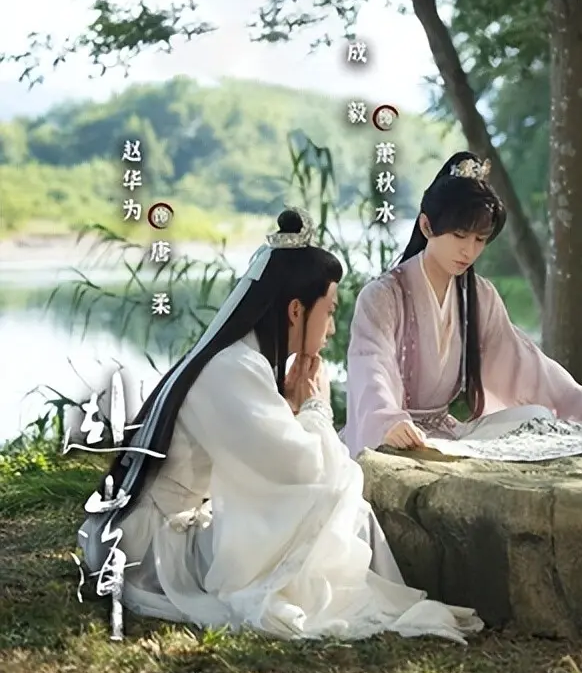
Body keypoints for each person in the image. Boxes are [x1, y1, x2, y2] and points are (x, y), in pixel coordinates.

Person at [76, 208, 482, 643]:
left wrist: (293, 407)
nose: (331, 330)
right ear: (295, 310)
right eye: (329, 312)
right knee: (330, 500)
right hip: (151, 552)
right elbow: (304, 471)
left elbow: (278, 462)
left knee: (322, 508)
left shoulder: (239, 360)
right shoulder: (231, 367)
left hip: (156, 534)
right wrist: (315, 407)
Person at [343, 151, 582, 456]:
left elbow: (529, 366)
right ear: (426, 226)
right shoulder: (383, 295)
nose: (469, 251)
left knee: (536, 416)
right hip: (397, 431)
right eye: (459, 235)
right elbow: (371, 365)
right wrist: (388, 420)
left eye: (479, 239)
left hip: (444, 432)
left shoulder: (479, 295)